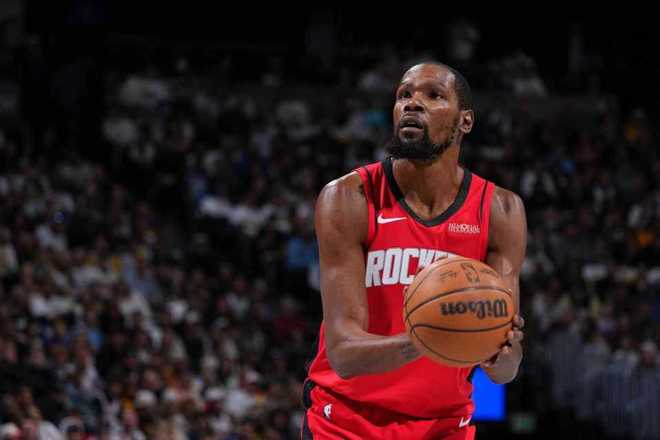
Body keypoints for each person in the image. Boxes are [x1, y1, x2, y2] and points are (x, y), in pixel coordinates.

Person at [301, 62, 527, 439]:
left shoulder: (500, 210)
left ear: (465, 121)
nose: (412, 103)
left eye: (433, 95)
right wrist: (434, 335)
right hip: (346, 421)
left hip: (444, 425)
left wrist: (503, 350)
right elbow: (343, 353)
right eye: (404, 94)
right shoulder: (349, 198)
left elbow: (504, 372)